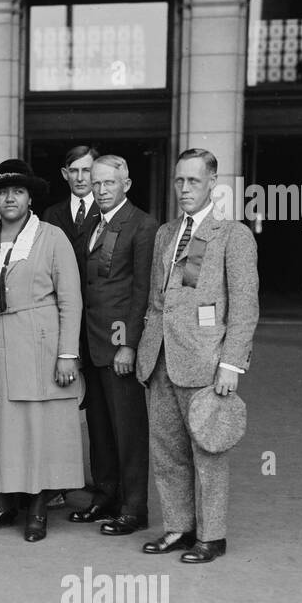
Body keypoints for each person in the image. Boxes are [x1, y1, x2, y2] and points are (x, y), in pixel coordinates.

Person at [136, 148, 259, 564]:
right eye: (178, 181)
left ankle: (212, 536)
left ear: (212, 184)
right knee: (167, 450)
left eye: (193, 181)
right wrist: (144, 353)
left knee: (207, 450)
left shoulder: (232, 235)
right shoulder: (166, 234)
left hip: (205, 363)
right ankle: (179, 527)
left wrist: (230, 364)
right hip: (161, 361)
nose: (184, 188)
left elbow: (244, 307)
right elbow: (158, 300)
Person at [0, 160, 84, 542]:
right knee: (3, 427)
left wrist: (68, 353)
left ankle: (37, 509)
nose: (10, 198)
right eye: (2, 192)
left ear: (30, 197)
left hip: (38, 345)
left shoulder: (51, 237)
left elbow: (70, 299)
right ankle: (3, 504)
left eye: (17, 191)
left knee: (38, 428)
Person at [68, 154, 158, 536]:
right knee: (100, 427)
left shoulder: (142, 225)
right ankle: (105, 496)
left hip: (119, 343)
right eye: (97, 182)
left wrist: (129, 346)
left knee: (129, 430)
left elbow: (141, 293)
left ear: (126, 185)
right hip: (92, 341)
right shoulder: (92, 222)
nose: (101, 189)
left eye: (109, 183)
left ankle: (134, 508)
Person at [43, 145, 101, 250]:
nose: (79, 178)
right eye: (74, 171)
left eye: (86, 170)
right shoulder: (51, 214)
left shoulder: (106, 211)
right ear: (65, 174)